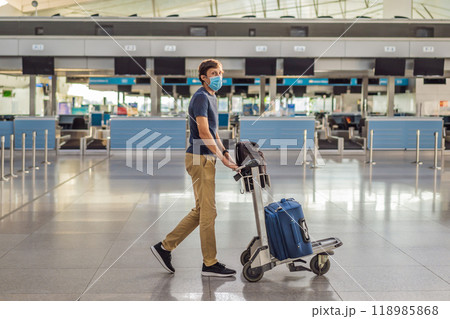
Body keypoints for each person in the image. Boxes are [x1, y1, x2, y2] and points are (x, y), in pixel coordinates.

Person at [151, 59, 239, 277]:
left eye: (220, 72)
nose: (218, 76)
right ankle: (210, 263)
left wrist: (225, 153)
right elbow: (203, 131)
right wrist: (222, 157)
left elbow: (215, 132)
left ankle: (165, 247)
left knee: (202, 211)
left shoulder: (212, 96)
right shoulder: (200, 97)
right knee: (209, 213)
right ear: (203, 77)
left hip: (206, 158)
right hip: (200, 159)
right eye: (213, 73)